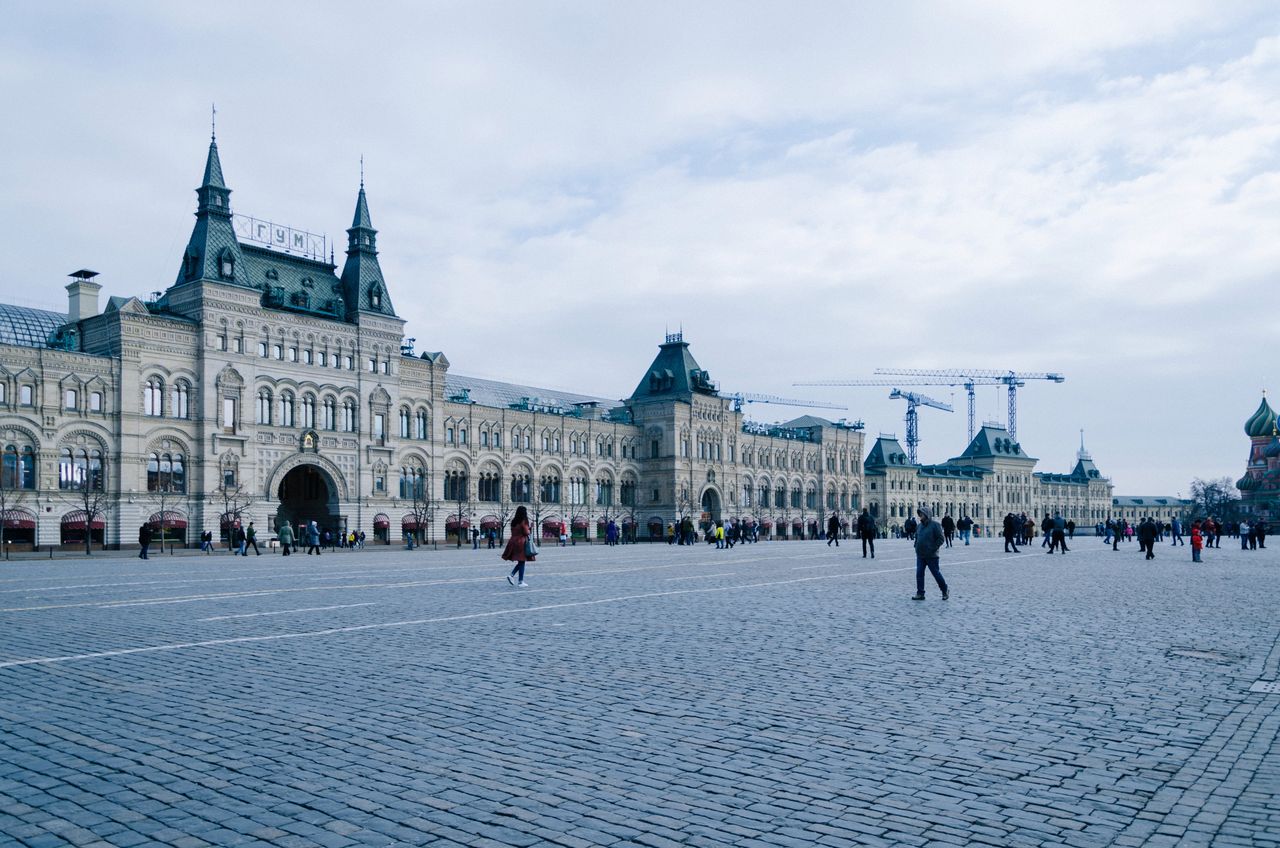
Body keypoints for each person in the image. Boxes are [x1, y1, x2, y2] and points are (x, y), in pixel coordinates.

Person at [911, 508, 949, 601]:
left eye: (922, 514)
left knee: (936, 574)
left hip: (932, 555)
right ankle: (920, 593)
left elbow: (941, 538)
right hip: (920, 555)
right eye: (919, 514)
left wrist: (933, 548)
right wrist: (916, 545)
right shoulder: (919, 526)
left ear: (927, 514)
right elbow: (917, 536)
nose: (920, 515)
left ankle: (944, 590)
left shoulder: (935, 525)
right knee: (919, 574)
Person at [503, 505, 535, 587]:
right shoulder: (523, 521)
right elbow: (526, 532)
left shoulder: (514, 521)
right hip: (521, 542)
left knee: (521, 561)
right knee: (522, 561)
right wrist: (530, 527)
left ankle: (512, 576)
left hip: (513, 541)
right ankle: (520, 581)